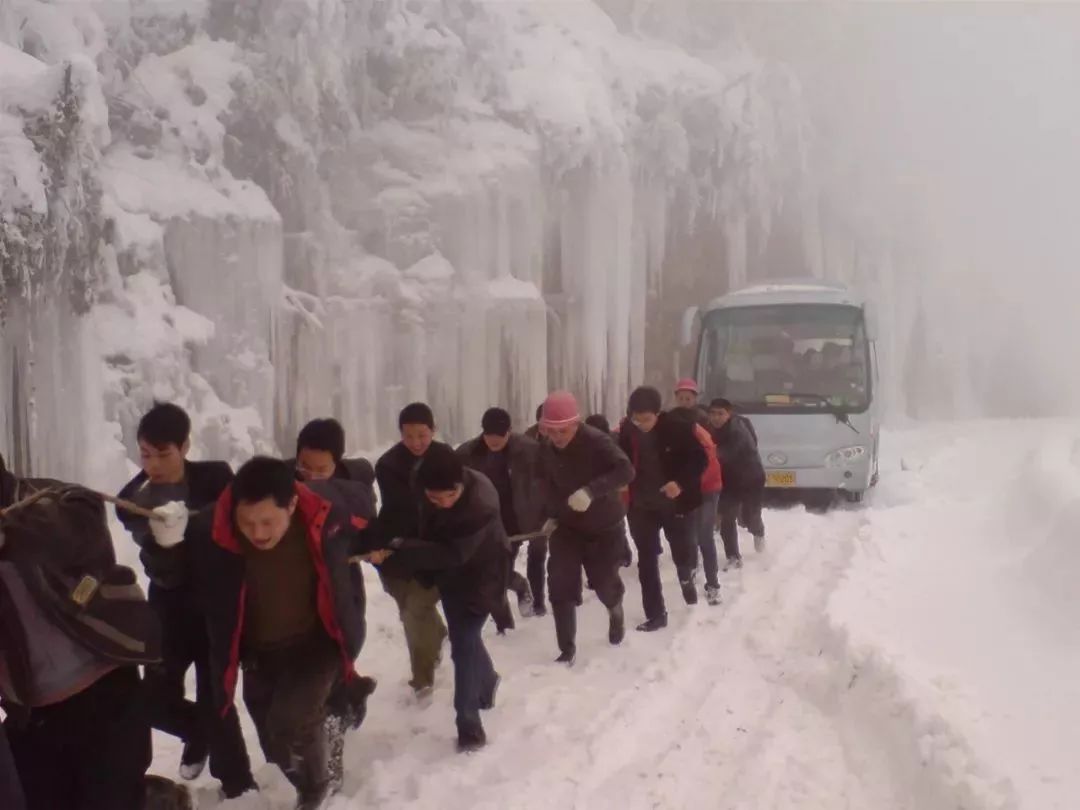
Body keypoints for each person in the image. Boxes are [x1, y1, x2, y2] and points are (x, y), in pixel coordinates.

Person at [0, 457, 176, 810]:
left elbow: (87, 526)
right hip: (34, 712)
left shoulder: (45, 498)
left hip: (107, 687)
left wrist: (13, 532)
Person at [202, 457, 369, 810]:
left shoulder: (324, 516)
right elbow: (171, 564)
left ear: (291, 504)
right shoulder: (217, 532)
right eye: (248, 523)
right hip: (259, 652)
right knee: (274, 741)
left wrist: (393, 546)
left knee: (291, 721)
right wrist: (162, 542)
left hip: (314, 642)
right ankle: (336, 715)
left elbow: (367, 505)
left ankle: (318, 786)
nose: (258, 533)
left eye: (267, 521)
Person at [116, 403, 255, 799]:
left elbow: (240, 531)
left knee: (218, 700)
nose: (153, 465)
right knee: (152, 700)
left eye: (164, 454)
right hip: (170, 605)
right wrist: (167, 543)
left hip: (218, 605)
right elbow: (165, 572)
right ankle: (196, 731)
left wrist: (197, 519)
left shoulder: (217, 478)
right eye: (146, 454)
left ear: (185, 447)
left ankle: (239, 785)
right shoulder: (133, 500)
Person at [366, 445, 506, 751]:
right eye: (434, 498)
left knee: (462, 645)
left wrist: (401, 548)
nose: (443, 503)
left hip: (482, 576)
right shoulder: (421, 484)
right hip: (449, 576)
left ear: (461, 482)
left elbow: (452, 553)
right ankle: (488, 681)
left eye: (450, 496)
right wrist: (383, 544)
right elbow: (409, 520)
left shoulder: (480, 503)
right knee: (465, 638)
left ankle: (468, 726)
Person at [290, 417, 378, 792]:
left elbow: (368, 526)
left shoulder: (354, 491)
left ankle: (332, 746)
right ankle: (348, 695)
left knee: (337, 655)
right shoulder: (283, 481)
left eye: (320, 469)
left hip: (340, 590)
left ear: (337, 464)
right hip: (297, 593)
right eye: (303, 467)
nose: (310, 476)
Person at [536, 391, 632, 665]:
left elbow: (626, 471)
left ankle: (615, 609)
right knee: (560, 583)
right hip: (567, 527)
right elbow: (546, 483)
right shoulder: (545, 447)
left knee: (603, 582)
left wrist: (591, 491)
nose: (556, 437)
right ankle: (566, 649)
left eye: (562, 430)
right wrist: (551, 514)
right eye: (550, 430)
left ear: (575, 424)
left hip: (604, 526)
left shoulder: (597, 442)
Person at [373, 403, 449, 695]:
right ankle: (437, 636)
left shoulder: (445, 457)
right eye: (408, 436)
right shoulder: (387, 465)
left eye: (422, 435)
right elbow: (398, 509)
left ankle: (422, 677)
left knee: (414, 611)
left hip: (436, 547)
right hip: (398, 547)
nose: (416, 442)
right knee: (408, 605)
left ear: (433, 430)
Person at [617, 388, 707, 630]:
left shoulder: (678, 428)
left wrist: (679, 483)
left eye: (646, 419)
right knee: (646, 560)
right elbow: (620, 461)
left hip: (674, 503)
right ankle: (656, 614)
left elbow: (700, 460)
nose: (641, 424)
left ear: (658, 414)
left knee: (681, 551)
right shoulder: (627, 431)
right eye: (637, 419)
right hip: (642, 505)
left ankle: (685, 576)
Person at [457, 407, 547, 626]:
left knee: (537, 557)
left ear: (510, 431)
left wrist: (548, 511)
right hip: (494, 522)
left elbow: (547, 480)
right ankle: (505, 620)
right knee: (495, 572)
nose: (494, 440)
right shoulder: (467, 454)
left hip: (529, 515)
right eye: (489, 435)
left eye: (500, 435)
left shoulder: (529, 449)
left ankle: (538, 604)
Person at [669, 406, 724, 605]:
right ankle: (692, 569)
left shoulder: (700, 438)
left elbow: (703, 469)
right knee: (689, 535)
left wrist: (680, 482)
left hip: (707, 490)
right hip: (690, 490)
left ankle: (713, 585)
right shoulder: (684, 435)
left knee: (704, 537)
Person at [708, 398, 766, 564]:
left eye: (720, 414)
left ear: (729, 414)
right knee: (727, 517)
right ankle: (733, 556)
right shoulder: (710, 427)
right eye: (713, 413)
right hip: (729, 479)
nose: (716, 417)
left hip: (750, 478)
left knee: (749, 516)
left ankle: (758, 532)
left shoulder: (738, 430)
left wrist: (709, 453)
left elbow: (730, 452)